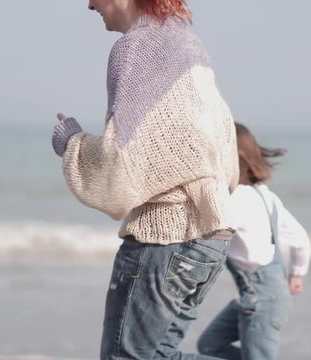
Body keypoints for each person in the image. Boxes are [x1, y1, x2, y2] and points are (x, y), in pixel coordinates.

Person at [50, 0, 239, 359]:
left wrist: (71, 143)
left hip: (164, 239)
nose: (88, 4)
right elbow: (214, 144)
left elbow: (119, 169)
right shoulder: (188, 43)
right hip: (208, 241)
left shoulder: (134, 48)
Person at [197, 123, 311, 360]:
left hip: (261, 298)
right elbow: (299, 238)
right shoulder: (265, 194)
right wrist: (297, 274)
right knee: (210, 345)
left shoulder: (236, 198)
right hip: (261, 294)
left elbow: (206, 235)